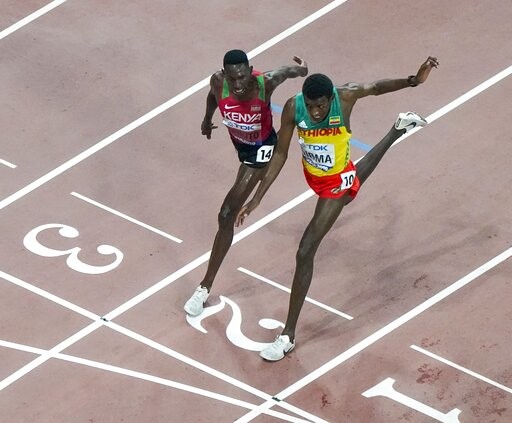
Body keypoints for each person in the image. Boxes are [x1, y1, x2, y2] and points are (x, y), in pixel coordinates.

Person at [235, 57, 439, 361]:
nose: (315, 112)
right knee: (352, 187)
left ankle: (287, 335)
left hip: (334, 180)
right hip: (313, 176)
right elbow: (279, 154)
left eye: (320, 106)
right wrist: (257, 198)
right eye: (311, 106)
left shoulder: (345, 97)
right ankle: (398, 128)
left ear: (330, 99)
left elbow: (376, 87)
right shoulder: (294, 108)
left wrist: (413, 80)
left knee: (305, 250)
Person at [184, 49, 308, 316]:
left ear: (250, 71)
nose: (238, 84)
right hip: (240, 146)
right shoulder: (218, 82)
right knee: (226, 215)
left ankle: (203, 288)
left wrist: (303, 68)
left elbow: (290, 72)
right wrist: (207, 119)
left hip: (261, 149)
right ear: (225, 75)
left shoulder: (266, 83)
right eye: (233, 79)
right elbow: (213, 96)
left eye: (242, 77)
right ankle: (205, 286)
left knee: (226, 214)